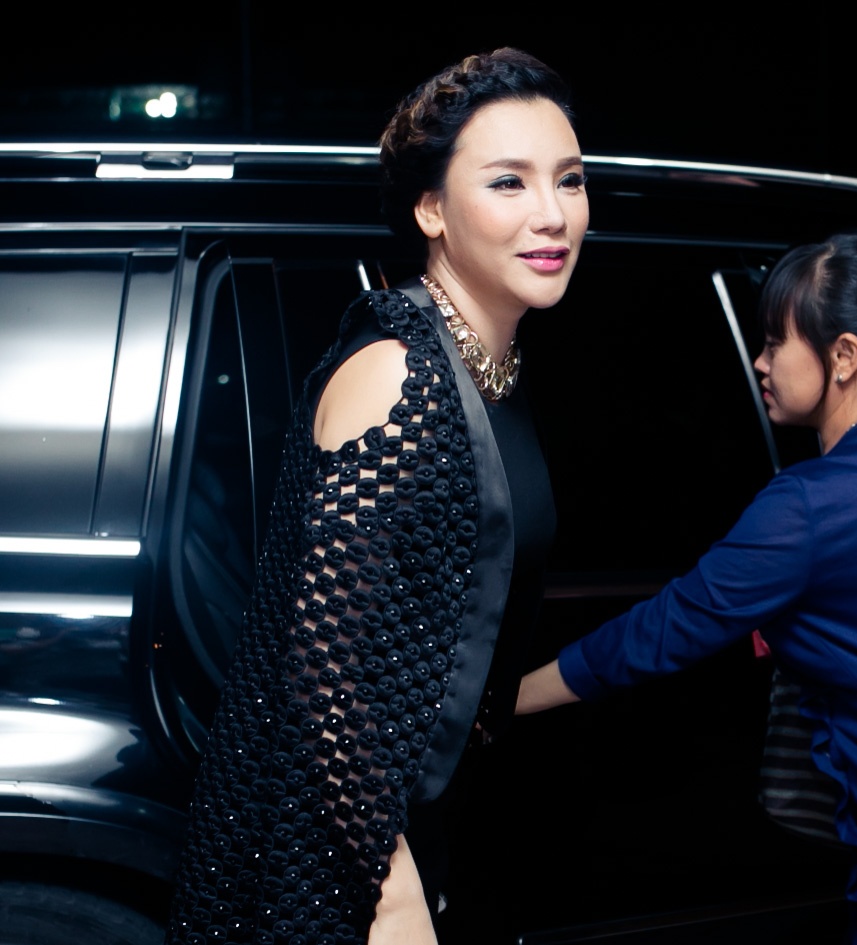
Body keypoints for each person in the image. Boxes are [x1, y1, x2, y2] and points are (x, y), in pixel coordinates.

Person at [516, 234, 857, 944]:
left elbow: (661, 631)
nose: (761, 361)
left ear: (844, 356)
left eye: (777, 341)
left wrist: (505, 700)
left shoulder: (811, 505)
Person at [166, 48, 587, 945]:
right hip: (332, 855)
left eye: (569, 179)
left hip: (416, 819)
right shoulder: (399, 371)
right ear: (431, 209)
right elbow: (322, 669)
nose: (552, 213)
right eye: (508, 182)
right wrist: (390, 889)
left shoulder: (491, 367)